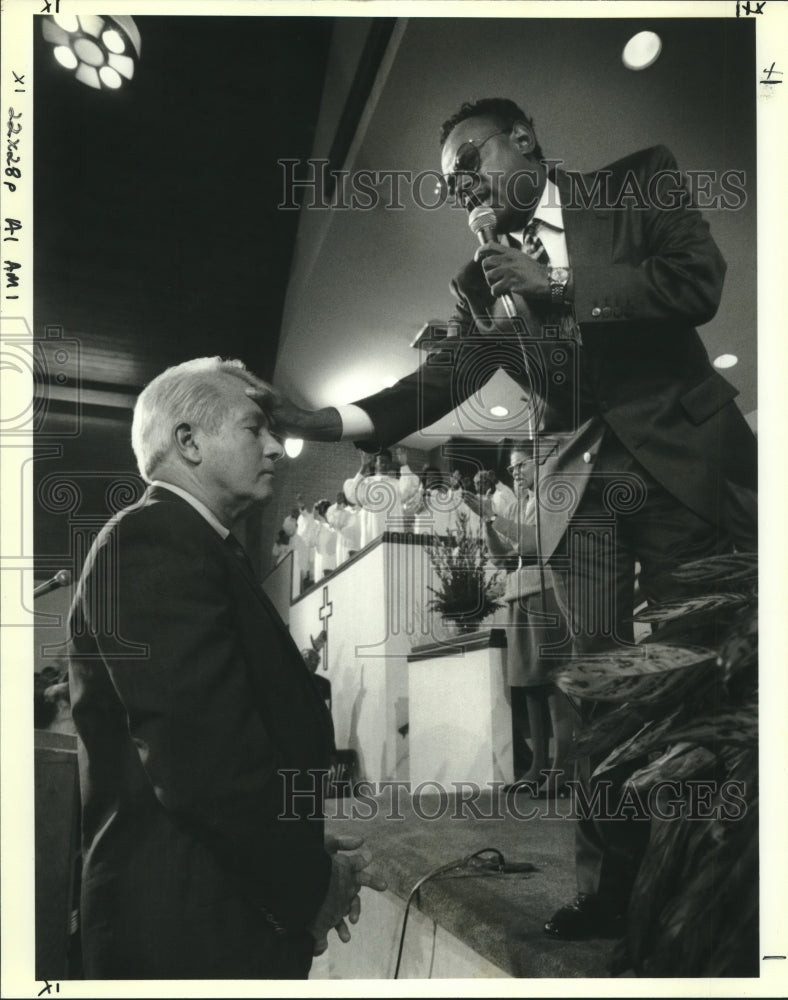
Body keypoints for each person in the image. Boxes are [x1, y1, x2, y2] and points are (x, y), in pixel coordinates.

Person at [251, 97, 757, 940]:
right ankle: (616, 887)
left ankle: (719, 873)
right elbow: (434, 387)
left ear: (523, 139)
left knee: (702, 667)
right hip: (575, 487)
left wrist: (558, 282)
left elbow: (697, 282)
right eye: (450, 184)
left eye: (470, 161)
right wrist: (320, 422)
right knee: (598, 687)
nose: (464, 188)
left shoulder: (639, 182)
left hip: (680, 460)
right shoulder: (476, 283)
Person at [67, 357, 385, 979]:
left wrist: (300, 848)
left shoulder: (195, 543)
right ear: (188, 440)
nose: (275, 448)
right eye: (253, 429)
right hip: (185, 933)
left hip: (213, 904)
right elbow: (205, 763)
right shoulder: (153, 540)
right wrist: (305, 884)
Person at [471, 443, 574, 796]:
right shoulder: (521, 503)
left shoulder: (551, 495)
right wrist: (487, 522)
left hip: (545, 592)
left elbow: (534, 543)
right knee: (529, 683)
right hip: (519, 594)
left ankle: (563, 768)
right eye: (511, 468)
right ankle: (537, 767)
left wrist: (495, 517)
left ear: (539, 461)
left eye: (520, 464)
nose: (514, 471)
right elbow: (504, 559)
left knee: (554, 684)